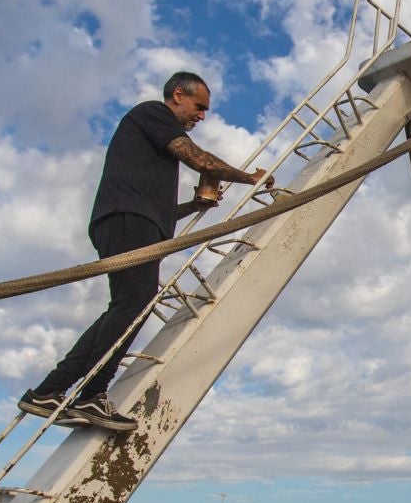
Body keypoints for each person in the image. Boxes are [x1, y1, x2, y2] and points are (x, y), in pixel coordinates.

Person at [19, 72, 272, 432]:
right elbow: (197, 159)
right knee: (134, 303)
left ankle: (52, 391)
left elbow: (159, 211)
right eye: (199, 107)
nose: (201, 116)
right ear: (178, 95)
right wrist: (251, 178)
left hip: (136, 222)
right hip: (127, 220)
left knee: (128, 305)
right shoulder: (153, 113)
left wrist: (196, 205)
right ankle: (87, 393)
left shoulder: (152, 148)